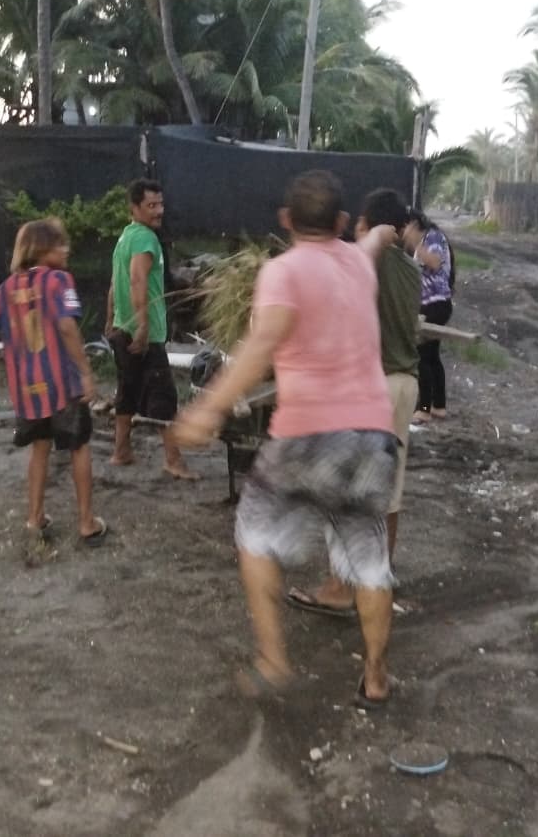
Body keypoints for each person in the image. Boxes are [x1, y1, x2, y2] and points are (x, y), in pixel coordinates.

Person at [173, 170, 399, 708]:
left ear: (285, 221)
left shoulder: (282, 271)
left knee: (253, 533)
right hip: (371, 435)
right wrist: (386, 232)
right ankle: (375, 677)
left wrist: (209, 407)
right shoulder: (356, 264)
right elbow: (375, 241)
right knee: (368, 558)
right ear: (341, 223)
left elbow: (262, 343)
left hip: (305, 433)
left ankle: (275, 661)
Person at [286, 188, 422, 617]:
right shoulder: (411, 270)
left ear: (367, 224)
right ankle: (378, 577)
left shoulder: (369, 261)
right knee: (389, 492)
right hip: (405, 384)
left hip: (371, 390)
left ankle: (340, 587)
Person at [0, 218, 106, 547]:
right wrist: (86, 372)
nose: (66, 249)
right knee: (79, 446)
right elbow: (68, 327)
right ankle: (86, 521)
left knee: (40, 449)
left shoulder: (8, 287)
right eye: (60, 244)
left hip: (27, 390)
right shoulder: (60, 281)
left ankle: (34, 518)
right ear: (42, 249)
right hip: (63, 386)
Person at [106, 178, 197, 479]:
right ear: (134, 208)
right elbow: (136, 280)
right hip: (146, 332)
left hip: (123, 327)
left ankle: (121, 451)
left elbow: (113, 283)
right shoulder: (146, 238)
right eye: (151, 206)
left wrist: (112, 320)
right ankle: (173, 459)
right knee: (164, 396)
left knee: (127, 391)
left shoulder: (125, 237)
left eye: (160, 204)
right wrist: (144, 325)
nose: (159, 211)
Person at [407, 210, 454, 423]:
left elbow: (434, 262)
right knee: (432, 356)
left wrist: (416, 243)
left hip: (435, 304)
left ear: (416, 224)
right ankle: (439, 406)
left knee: (422, 356)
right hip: (431, 304)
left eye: (407, 227)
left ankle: (424, 408)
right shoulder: (425, 242)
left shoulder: (432, 237)